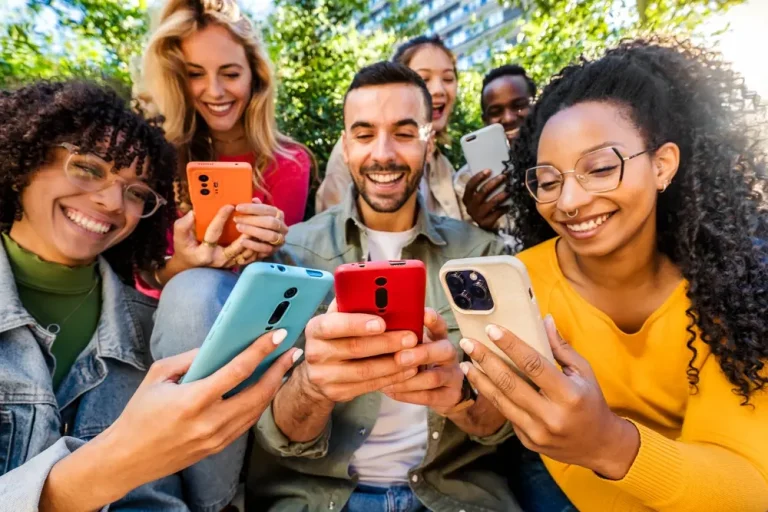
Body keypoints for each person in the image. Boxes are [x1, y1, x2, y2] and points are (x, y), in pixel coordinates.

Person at [153, 62, 551, 511]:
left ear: (430, 138)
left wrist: (460, 396)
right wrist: (312, 388)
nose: (383, 154)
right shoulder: (289, 257)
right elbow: (275, 436)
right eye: (364, 135)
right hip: (312, 499)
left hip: (457, 497)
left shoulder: (481, 257)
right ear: (345, 144)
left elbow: (502, 424)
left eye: (404, 133)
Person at [458, 38, 768, 511]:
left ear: (662, 165)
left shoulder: (735, 292)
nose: (568, 202)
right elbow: (494, 417)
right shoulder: (524, 282)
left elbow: (749, 490)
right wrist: (454, 391)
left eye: (600, 168)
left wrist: (608, 443)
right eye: (547, 180)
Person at [0, 81, 299, 511]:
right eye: (88, 168)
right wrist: (103, 470)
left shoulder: (153, 328)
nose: (110, 201)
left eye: (136, 192)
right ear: (23, 161)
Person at [136, 0, 311, 290]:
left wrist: (274, 247)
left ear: (256, 77)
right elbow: (140, 275)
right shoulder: (157, 154)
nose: (215, 92)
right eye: (195, 74)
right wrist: (182, 265)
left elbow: (274, 281)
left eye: (231, 74)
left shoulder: (291, 163)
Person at [315, 35, 463, 221]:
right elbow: (333, 234)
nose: (438, 89)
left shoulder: (442, 165)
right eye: (423, 78)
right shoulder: (354, 154)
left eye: (448, 78)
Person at [455, 64, 536, 232]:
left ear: (536, 105)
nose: (508, 118)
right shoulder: (466, 181)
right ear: (485, 120)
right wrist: (480, 228)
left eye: (519, 106)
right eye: (495, 111)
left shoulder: (557, 158)